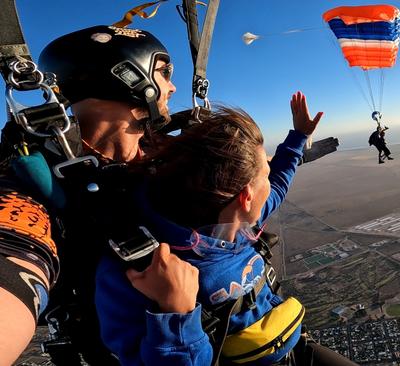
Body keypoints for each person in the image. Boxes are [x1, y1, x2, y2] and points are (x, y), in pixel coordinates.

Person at [95, 92, 358, 365]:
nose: (269, 186)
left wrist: (299, 137)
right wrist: (176, 314)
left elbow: (278, 184)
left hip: (291, 347)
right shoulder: (140, 268)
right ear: (245, 197)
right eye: (263, 176)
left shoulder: (237, 222)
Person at [0, 24, 176, 364]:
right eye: (163, 72)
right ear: (127, 75)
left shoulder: (169, 152)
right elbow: (14, 256)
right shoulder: (32, 185)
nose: (172, 86)